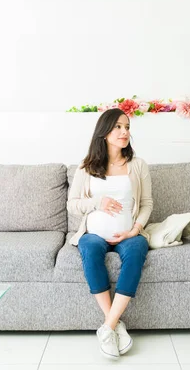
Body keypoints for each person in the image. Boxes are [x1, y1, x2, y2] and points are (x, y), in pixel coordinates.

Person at [67, 108, 153, 359]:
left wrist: (135, 230)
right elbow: (72, 205)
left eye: (127, 127)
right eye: (117, 127)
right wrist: (97, 202)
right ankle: (115, 324)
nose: (124, 131)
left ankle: (107, 327)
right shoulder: (86, 167)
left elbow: (147, 204)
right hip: (93, 233)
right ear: (104, 132)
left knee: (137, 251)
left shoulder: (138, 165)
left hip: (128, 233)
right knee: (91, 250)